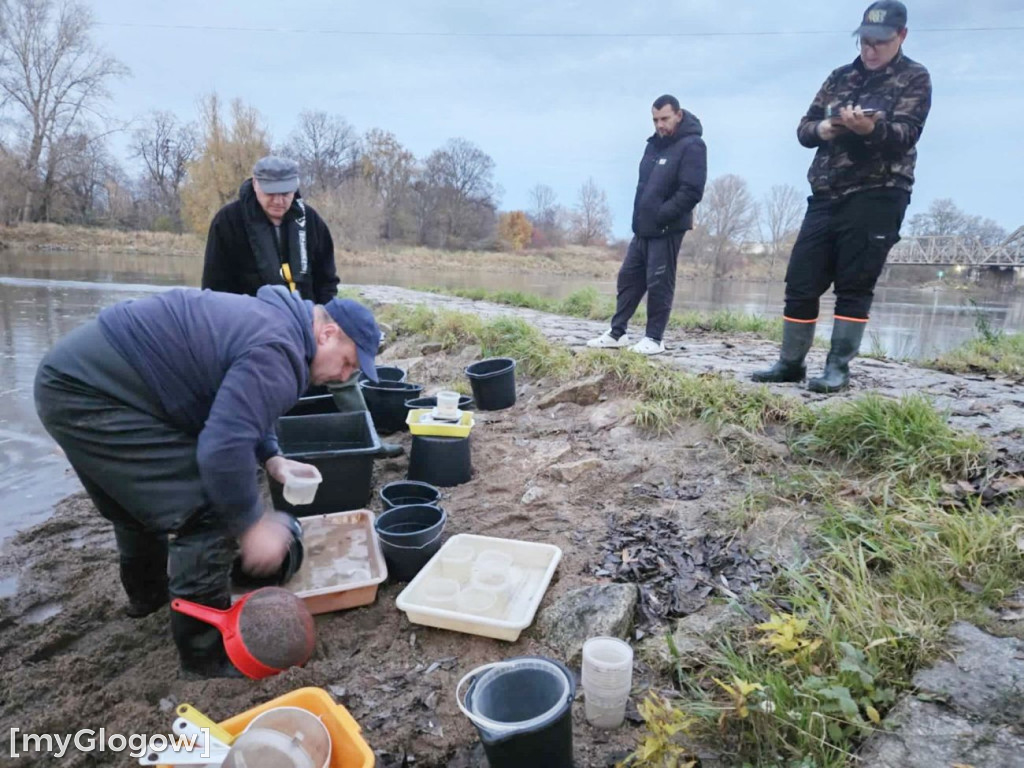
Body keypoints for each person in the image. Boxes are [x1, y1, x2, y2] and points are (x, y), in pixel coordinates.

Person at [34, 286, 381, 677]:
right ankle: (205, 661)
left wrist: (272, 457)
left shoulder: (279, 327)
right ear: (328, 334)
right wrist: (251, 526)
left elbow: (241, 404)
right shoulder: (280, 350)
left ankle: (147, 598)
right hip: (98, 394)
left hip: (74, 377)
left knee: (137, 504)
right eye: (348, 363)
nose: (343, 376)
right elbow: (221, 450)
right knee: (207, 511)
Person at [752, 1, 931, 392]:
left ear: (901, 36)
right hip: (826, 192)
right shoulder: (839, 76)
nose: (870, 50)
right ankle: (790, 363)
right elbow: (803, 128)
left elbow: (906, 135)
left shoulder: (915, 78)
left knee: (854, 283)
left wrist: (869, 129)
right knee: (800, 280)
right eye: (865, 41)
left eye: (879, 43)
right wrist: (823, 130)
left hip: (879, 193)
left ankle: (838, 369)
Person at [587, 94, 707, 355]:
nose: (659, 125)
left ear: (678, 114)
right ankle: (617, 333)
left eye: (664, 119)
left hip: (667, 228)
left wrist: (663, 215)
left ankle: (654, 339)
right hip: (643, 228)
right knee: (628, 278)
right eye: (655, 120)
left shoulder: (693, 145)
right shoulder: (653, 145)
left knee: (659, 282)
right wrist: (642, 218)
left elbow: (692, 191)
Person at [201, 155, 340, 304]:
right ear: (255, 184)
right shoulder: (227, 222)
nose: (278, 201)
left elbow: (326, 282)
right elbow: (214, 288)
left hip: (303, 318)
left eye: (286, 193)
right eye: (270, 193)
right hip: (247, 321)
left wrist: (321, 314)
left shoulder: (312, 221)